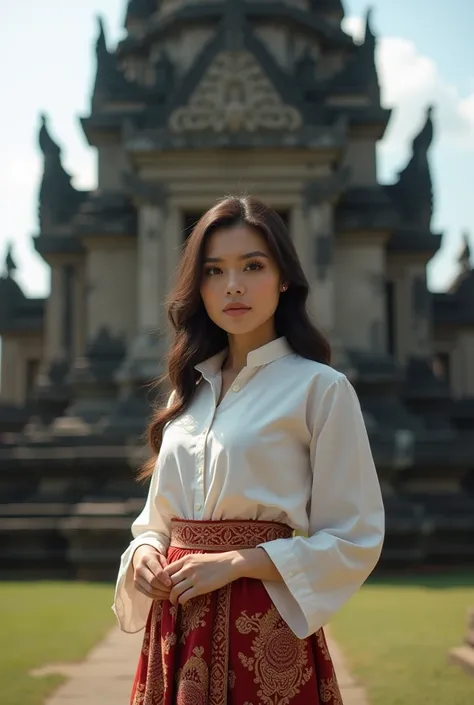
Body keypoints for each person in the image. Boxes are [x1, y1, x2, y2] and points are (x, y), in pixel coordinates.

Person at [113, 195, 385, 705]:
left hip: (261, 623)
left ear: (283, 278)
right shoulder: (186, 394)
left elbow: (355, 535)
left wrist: (237, 561)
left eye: (252, 266)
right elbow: (156, 520)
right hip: (175, 623)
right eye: (214, 271)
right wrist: (145, 553)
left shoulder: (320, 389)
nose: (232, 284)